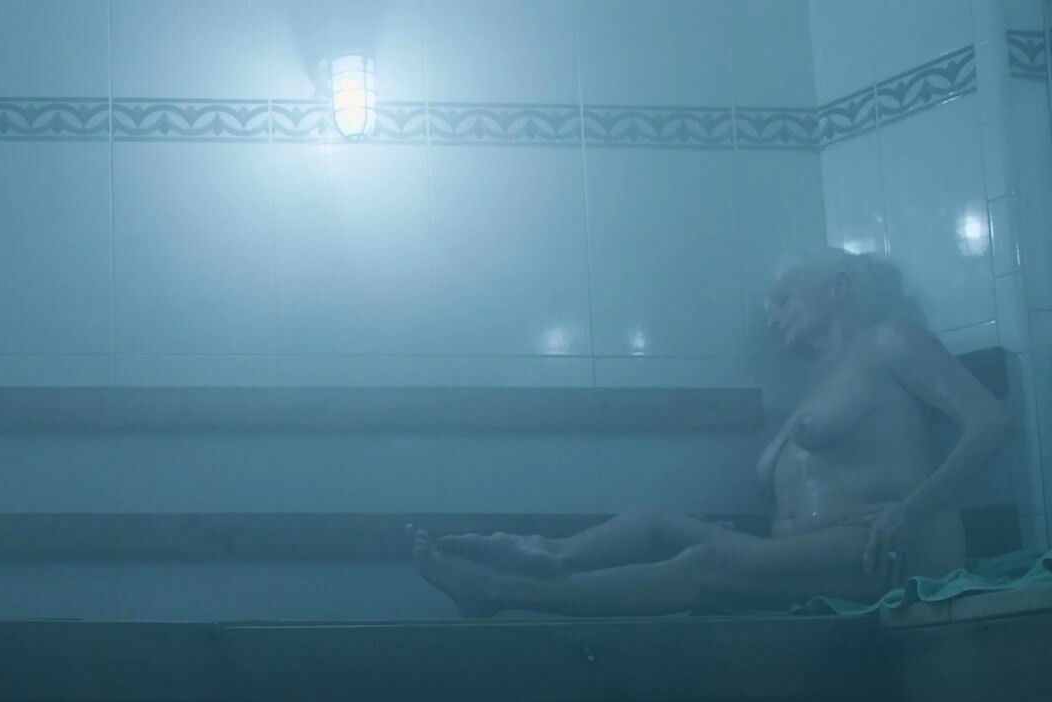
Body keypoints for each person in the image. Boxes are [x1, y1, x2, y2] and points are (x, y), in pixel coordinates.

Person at [413, 249, 1014, 617]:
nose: (771, 317)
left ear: (839, 287)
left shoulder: (891, 340)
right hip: (814, 556)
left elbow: (991, 423)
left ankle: (499, 590)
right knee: (650, 520)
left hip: (890, 550)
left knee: (706, 563)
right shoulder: (816, 383)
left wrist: (909, 513)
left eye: (783, 298)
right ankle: (544, 553)